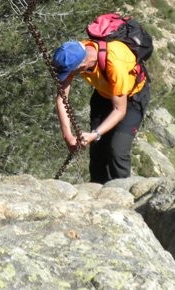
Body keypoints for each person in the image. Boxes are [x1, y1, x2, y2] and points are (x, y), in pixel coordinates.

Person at [53, 39, 150, 184]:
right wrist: (68, 136)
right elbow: (62, 99)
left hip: (131, 99)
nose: (67, 76)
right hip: (103, 94)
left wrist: (95, 134)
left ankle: (121, 192)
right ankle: (96, 190)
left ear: (83, 65)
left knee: (117, 150)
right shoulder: (75, 54)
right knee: (97, 151)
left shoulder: (114, 63)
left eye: (70, 72)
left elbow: (119, 110)